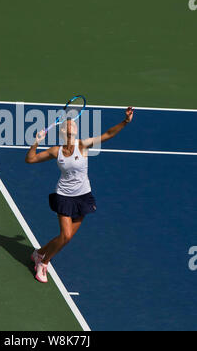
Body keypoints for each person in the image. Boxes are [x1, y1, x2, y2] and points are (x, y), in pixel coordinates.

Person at [25, 107, 134, 283]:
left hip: (83, 196)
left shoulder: (82, 145)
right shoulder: (56, 151)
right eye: (68, 124)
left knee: (65, 239)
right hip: (63, 196)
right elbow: (30, 159)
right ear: (62, 131)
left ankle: (38, 253)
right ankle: (43, 263)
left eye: (74, 124)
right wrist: (36, 142)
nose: (71, 125)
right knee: (66, 235)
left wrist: (125, 121)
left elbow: (108, 134)